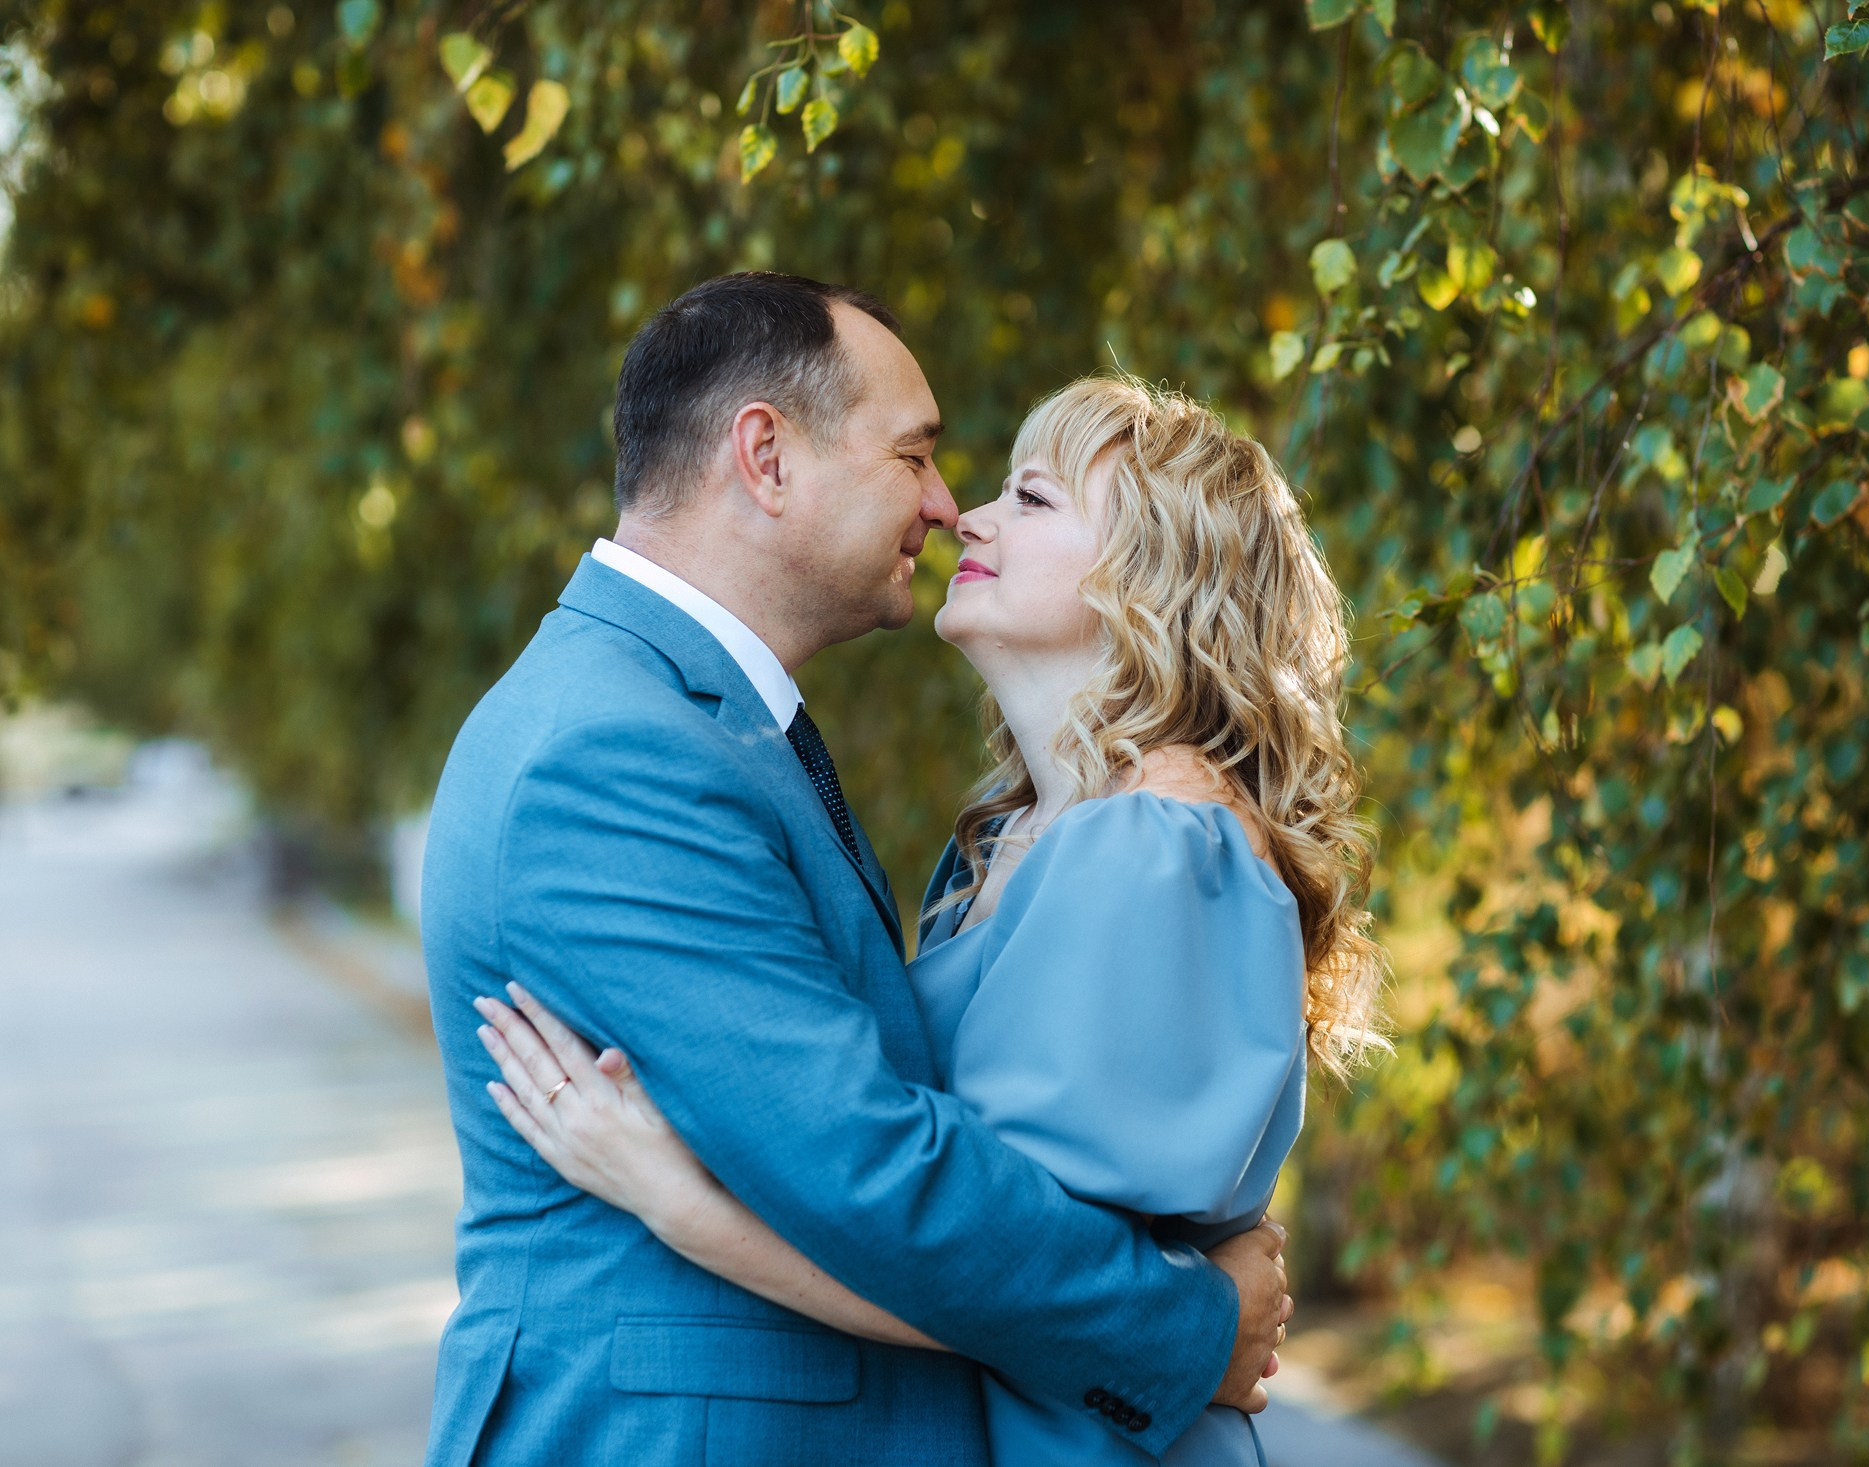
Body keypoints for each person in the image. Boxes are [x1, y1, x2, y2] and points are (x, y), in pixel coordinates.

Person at [418, 274, 1294, 1467]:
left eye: (1007, 491)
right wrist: (1190, 1326)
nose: (946, 507)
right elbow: (860, 1163)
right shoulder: (615, 750)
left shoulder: (692, 723)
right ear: (766, 459)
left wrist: (682, 1201)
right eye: (914, 455)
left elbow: (914, 1157)